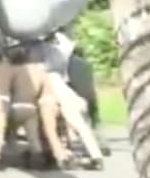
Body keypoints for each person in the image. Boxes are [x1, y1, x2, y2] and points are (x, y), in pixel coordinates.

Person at [39, 33, 105, 170]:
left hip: (53, 87)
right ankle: (96, 155)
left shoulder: (40, 51)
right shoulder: (62, 51)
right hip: (66, 87)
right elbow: (68, 44)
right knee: (81, 126)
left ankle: (54, 153)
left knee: (49, 122)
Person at [7, 43, 71, 170]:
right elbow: (46, 90)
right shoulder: (40, 71)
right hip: (31, 108)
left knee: (1, 127)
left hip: (14, 107)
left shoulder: (12, 71)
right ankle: (38, 157)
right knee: (33, 136)